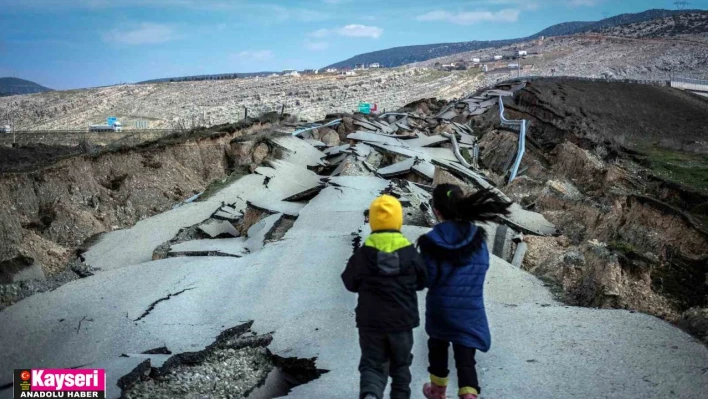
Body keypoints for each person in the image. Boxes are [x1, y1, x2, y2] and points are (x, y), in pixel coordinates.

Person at [418, 184, 512, 399]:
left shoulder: (432, 241)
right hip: (470, 307)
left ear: (436, 210)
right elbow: (483, 267)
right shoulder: (477, 238)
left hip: (440, 308)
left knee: (438, 346)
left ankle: (437, 391)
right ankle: (469, 394)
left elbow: (427, 278)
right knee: (465, 354)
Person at [342, 194, 428, 399]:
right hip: (402, 323)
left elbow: (349, 282)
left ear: (372, 221)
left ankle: (371, 394)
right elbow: (424, 280)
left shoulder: (363, 255)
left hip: (371, 323)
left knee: (372, 365)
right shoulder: (409, 253)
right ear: (398, 220)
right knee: (401, 367)